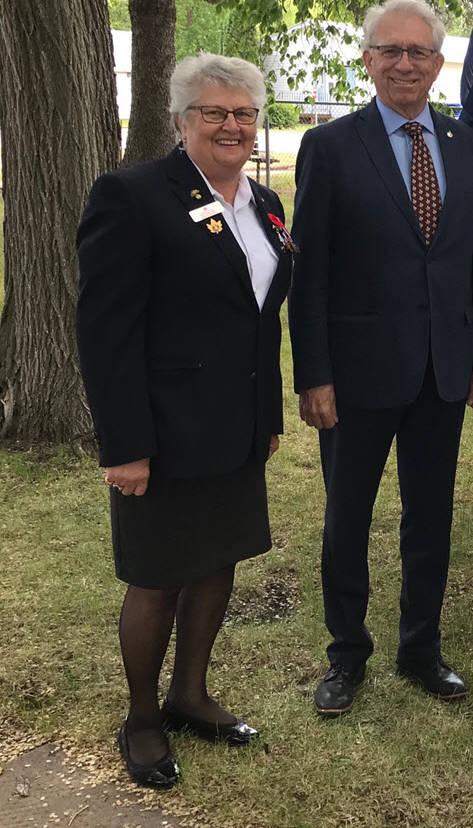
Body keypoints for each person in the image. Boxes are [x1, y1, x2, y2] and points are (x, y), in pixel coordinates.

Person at [76, 55, 292, 788]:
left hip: (236, 428)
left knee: (216, 562)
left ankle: (190, 695)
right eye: (214, 112)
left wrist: (267, 416)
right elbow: (105, 332)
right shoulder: (133, 195)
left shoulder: (265, 203)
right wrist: (125, 445)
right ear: (180, 120)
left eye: (244, 113)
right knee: (157, 578)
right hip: (163, 432)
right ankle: (142, 719)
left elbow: (260, 321)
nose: (232, 126)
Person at [289, 0, 473, 715]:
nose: (405, 63)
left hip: (442, 367)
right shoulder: (331, 146)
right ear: (368, 60)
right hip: (357, 373)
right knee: (347, 518)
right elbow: (308, 273)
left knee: (429, 518)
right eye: (391, 51)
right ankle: (346, 654)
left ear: (439, 63)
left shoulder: (467, 144)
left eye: (419, 52)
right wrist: (313, 374)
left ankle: (421, 649)